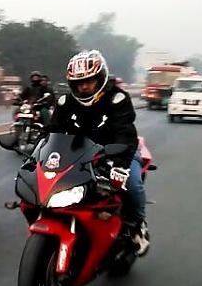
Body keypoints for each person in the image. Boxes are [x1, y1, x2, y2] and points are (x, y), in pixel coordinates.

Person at [46, 50, 149, 255]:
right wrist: (37, 159)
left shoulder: (117, 99)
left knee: (133, 183)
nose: (84, 86)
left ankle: (139, 226)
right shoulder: (65, 103)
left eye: (89, 81)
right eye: (78, 83)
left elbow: (125, 134)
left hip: (119, 152)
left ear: (100, 78)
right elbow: (52, 134)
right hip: (79, 155)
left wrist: (120, 165)